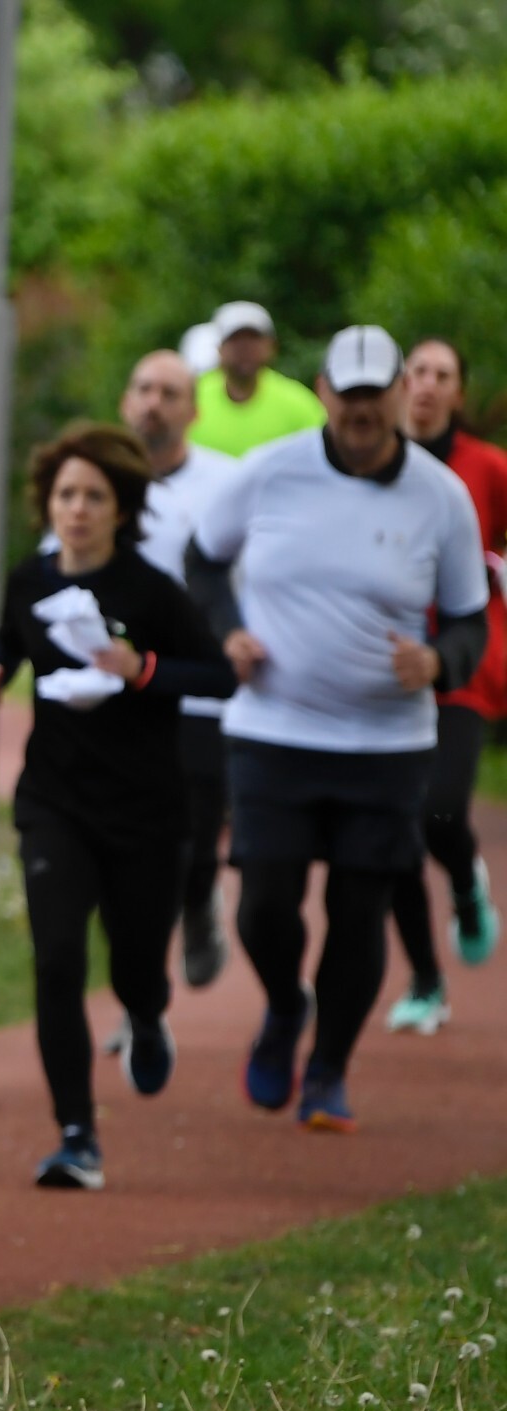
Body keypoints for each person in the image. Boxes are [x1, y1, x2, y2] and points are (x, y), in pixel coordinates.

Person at [184, 325, 487, 1132]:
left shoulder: (441, 496)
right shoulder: (269, 471)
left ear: (399, 394)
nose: (360, 410)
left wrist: (439, 661)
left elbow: (469, 618)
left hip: (386, 744)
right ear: (323, 392)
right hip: (272, 730)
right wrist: (228, 631)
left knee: (359, 911)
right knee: (264, 905)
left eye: (374, 394)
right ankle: (287, 1004)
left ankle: (328, 1069)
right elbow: (204, 560)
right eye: (347, 394)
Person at [0, 424, 235, 1189]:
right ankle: (76, 1133)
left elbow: (218, 677)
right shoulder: (30, 578)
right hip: (55, 801)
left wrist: (141, 668)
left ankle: (146, 1014)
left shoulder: (152, 591)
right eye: (65, 495)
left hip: (146, 807)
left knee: (136, 965)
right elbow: (10, 643)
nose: (77, 509)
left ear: (122, 509)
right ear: (47, 504)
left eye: (93, 496)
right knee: (56, 960)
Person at [386, 336, 507, 1033]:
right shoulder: (374, 461)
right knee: (392, 830)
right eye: (418, 372)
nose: (428, 385)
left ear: (458, 393)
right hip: (386, 663)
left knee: (437, 811)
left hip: (463, 664)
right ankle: (426, 980)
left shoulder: (486, 468)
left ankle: (464, 883)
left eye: (442, 375)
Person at [115, 349, 244, 988]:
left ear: (193, 410)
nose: (153, 404)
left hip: (199, 691)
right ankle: (139, 994)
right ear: (125, 402)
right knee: (132, 846)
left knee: (192, 841)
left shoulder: (229, 483)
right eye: (143, 389)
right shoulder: (97, 478)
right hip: (118, 688)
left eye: (169, 393)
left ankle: (199, 900)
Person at [192, 302, 327, 459]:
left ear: (272, 347)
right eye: (235, 339)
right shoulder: (192, 398)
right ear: (219, 349)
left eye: (253, 338)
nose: (245, 348)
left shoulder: (299, 404)